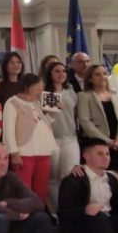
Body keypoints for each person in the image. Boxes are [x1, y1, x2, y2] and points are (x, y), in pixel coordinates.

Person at [2, 73, 58, 207]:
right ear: (28, 87)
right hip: (24, 152)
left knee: (42, 188)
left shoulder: (36, 102)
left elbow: (43, 123)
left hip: (43, 150)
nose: (40, 90)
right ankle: (25, 217)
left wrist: (53, 113)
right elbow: (8, 130)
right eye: (38, 87)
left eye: (41, 87)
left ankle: (41, 216)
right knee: (24, 188)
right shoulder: (12, 102)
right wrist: (14, 153)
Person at [43, 62, 80, 210]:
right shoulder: (43, 93)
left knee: (68, 177)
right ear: (50, 74)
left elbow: (76, 115)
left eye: (63, 71)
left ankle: (68, 210)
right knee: (52, 178)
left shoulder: (71, 93)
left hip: (70, 138)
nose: (61, 74)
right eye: (57, 71)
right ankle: (55, 211)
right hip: (50, 139)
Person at [77, 65, 118, 154]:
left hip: (117, 143)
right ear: (90, 79)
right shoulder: (84, 96)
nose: (102, 77)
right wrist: (107, 141)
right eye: (98, 75)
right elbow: (84, 121)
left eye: (104, 74)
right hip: (95, 142)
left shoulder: (117, 95)